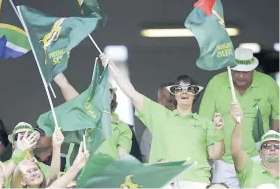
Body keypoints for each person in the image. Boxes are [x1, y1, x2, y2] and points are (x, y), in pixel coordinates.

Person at [99, 54, 225, 188]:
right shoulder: (160, 115)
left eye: (189, 89)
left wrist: (219, 132)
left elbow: (214, 154)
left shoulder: (206, 124)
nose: (184, 92)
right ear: (174, 94)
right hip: (165, 180)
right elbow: (132, 94)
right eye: (179, 89)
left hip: (196, 182)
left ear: (195, 94)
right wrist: (112, 67)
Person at [199, 47, 280, 188]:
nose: (241, 76)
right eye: (237, 71)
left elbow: (278, 117)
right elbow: (204, 121)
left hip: (258, 159)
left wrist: (273, 147)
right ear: (230, 69)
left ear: (253, 69)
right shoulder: (216, 83)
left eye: (245, 72)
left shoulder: (268, 84)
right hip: (224, 160)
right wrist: (209, 153)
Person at [54, 73, 133, 160]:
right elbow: (64, 85)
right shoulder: (83, 112)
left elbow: (122, 157)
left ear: (111, 97)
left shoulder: (123, 127)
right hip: (78, 170)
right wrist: (51, 64)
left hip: (106, 171)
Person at [230, 102, 279, 188]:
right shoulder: (249, 168)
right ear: (260, 152)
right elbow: (235, 151)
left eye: (277, 146)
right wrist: (238, 122)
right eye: (267, 146)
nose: (272, 148)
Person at [141, 82, 176, 163]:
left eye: (168, 98)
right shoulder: (150, 132)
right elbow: (147, 165)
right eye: (160, 99)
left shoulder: (191, 126)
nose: (163, 103)